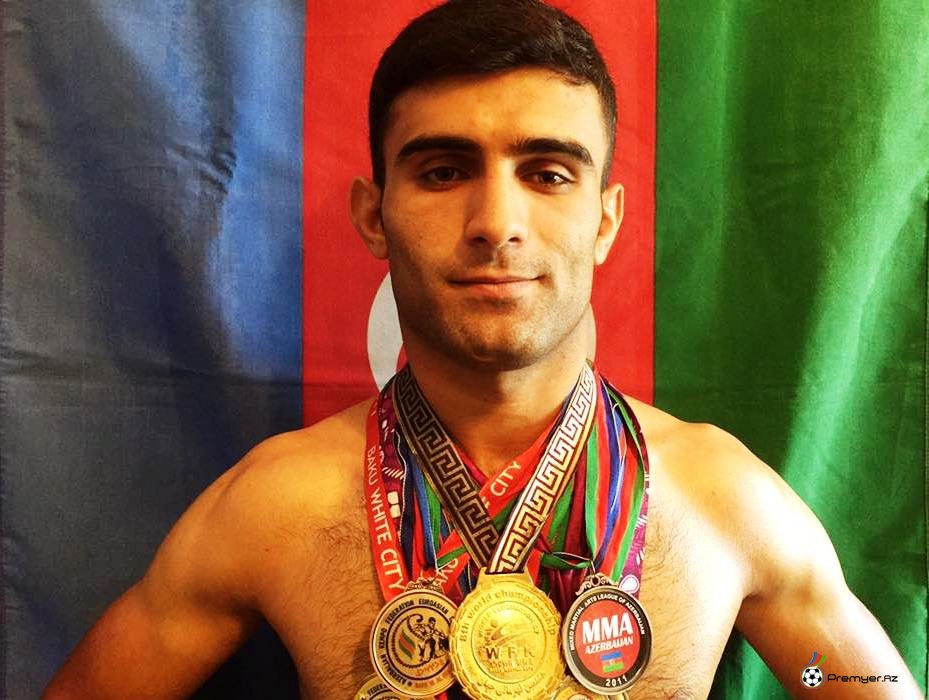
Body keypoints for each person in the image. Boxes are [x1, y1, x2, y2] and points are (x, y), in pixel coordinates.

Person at [44, 1, 921, 698]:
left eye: (547, 173)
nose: (496, 223)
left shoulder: (727, 501)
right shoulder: (273, 507)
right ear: (372, 215)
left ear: (605, 220)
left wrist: (821, 675)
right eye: (442, 170)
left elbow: (850, 683)